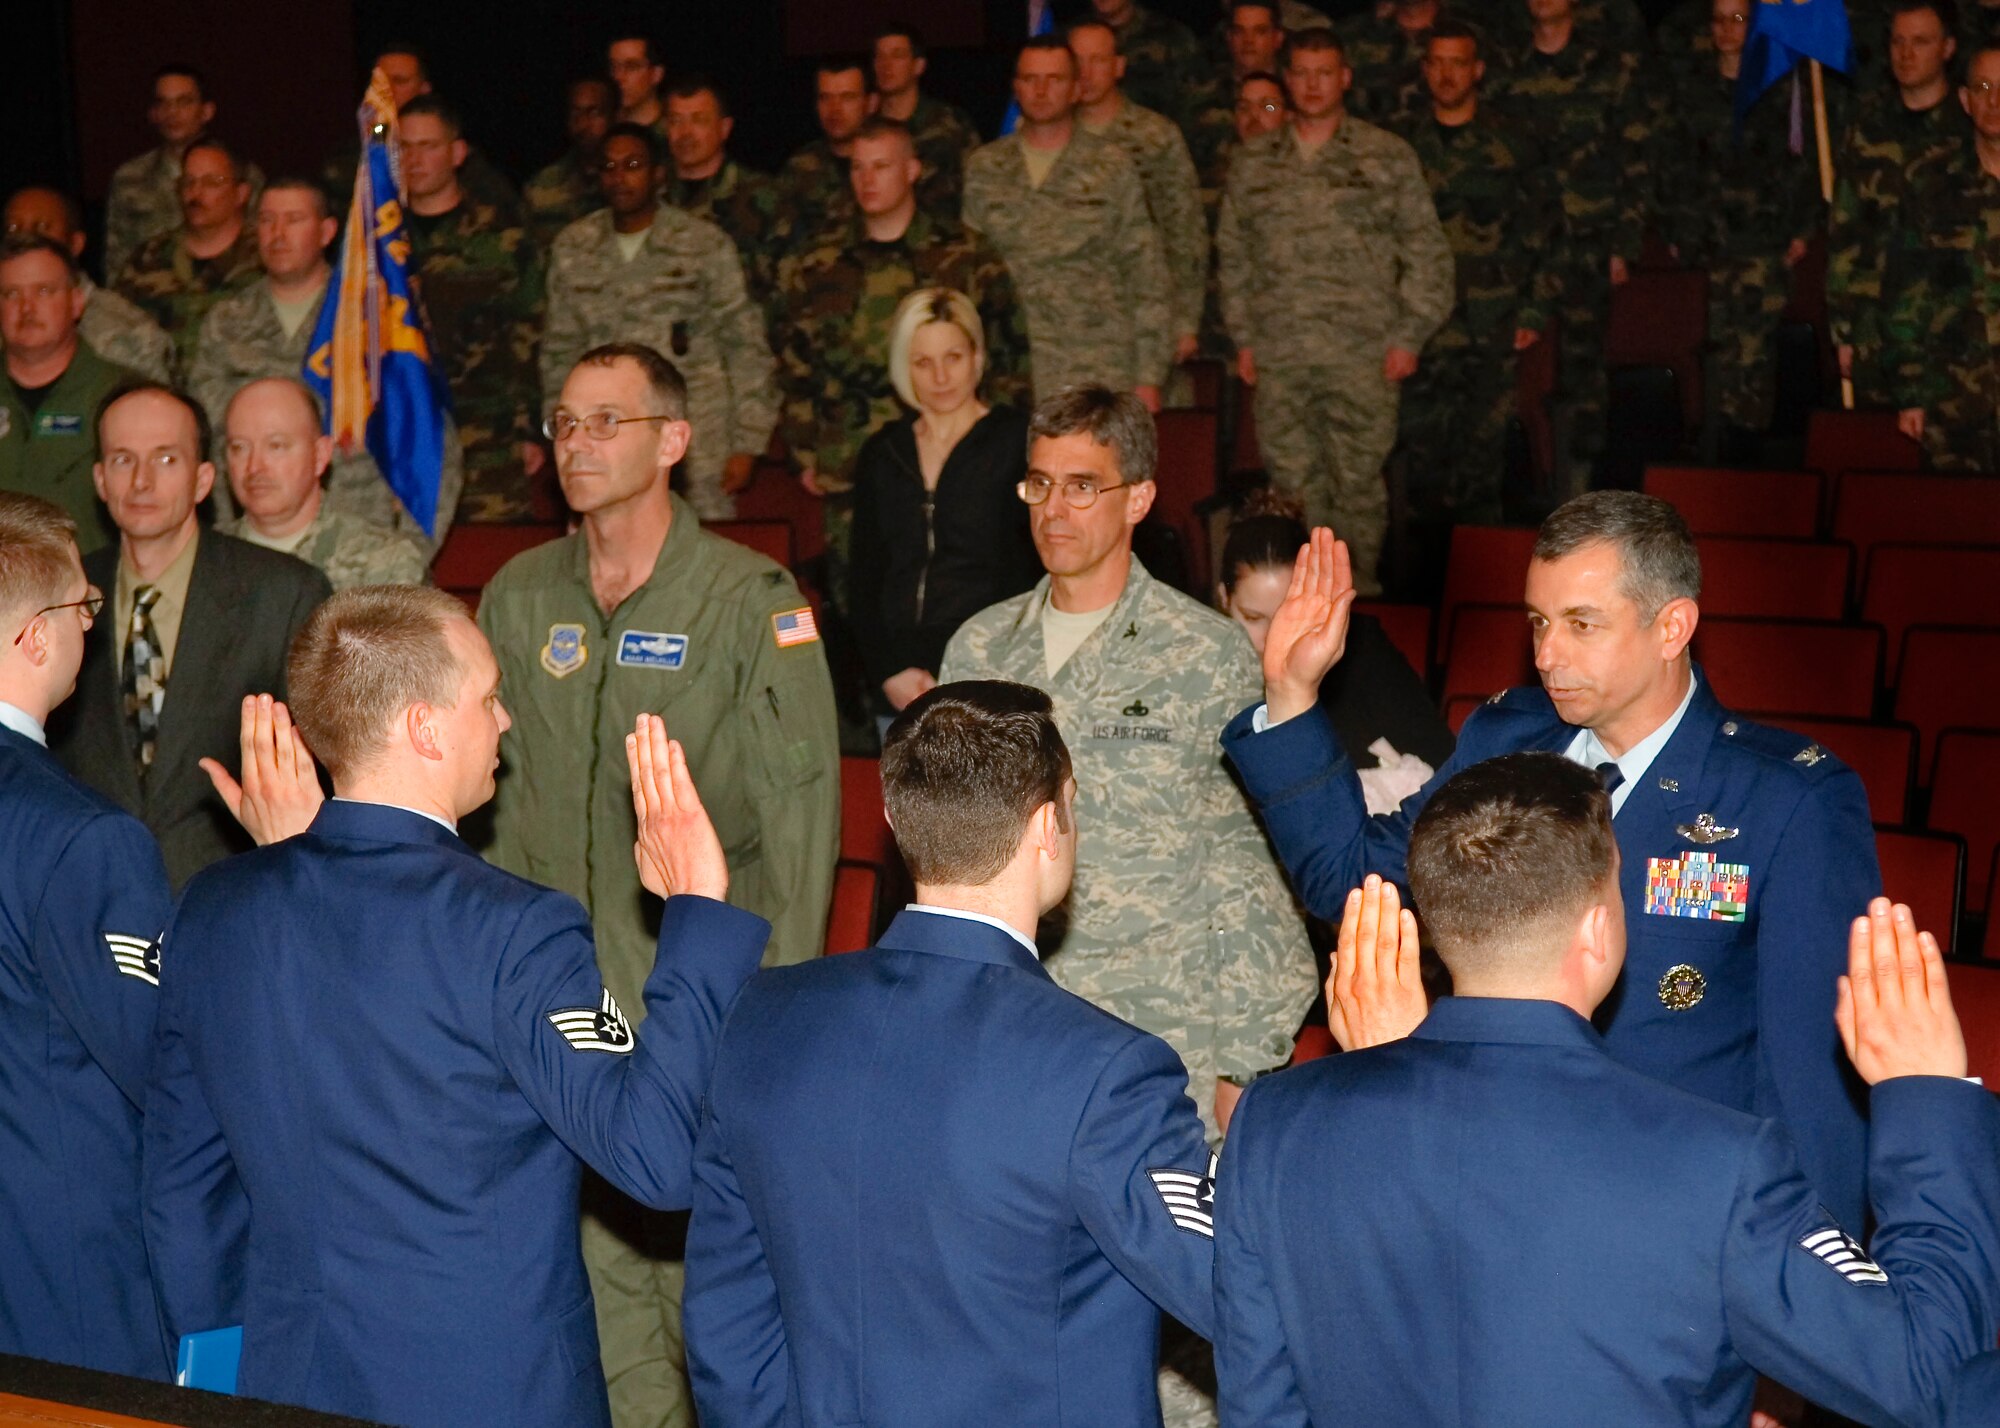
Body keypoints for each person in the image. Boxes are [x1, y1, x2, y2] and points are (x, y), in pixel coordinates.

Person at [140, 584, 770, 1428]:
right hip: (488, 1392)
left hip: (281, 1376)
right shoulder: (516, 931)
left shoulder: (212, 908)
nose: (505, 721)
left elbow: (181, 1184)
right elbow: (655, 1158)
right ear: (426, 729)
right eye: (489, 698)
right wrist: (697, 914)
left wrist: (216, 1369)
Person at [1214, 755, 2000, 1426]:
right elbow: (1926, 1377)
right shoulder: (1718, 1165)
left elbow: (1262, 1405)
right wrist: (1925, 1095)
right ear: (1598, 930)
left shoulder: (1274, 1125)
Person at [1221, 491, 1882, 1229]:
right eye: (1538, 621)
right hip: (1492, 1185)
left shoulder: (1784, 800)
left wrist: (1809, 1279)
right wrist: (1290, 690)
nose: (1545, 655)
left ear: (1672, 626)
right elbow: (1356, 881)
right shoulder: (1506, 739)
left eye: (1581, 624)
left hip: (1669, 1213)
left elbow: (1813, 1082)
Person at [685, 680, 1220, 1426]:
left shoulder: (762, 1019)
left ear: (894, 817)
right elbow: (1240, 1287)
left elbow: (728, 1327)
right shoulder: (1106, 1074)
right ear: (1047, 825)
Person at [473, 343, 838, 1428]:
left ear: (673, 442)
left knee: (708, 1301)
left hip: (694, 1006)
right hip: (553, 1009)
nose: (575, 445)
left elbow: (801, 825)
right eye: (563, 424)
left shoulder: (747, 601)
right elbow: (484, 809)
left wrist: (777, 1021)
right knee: (586, 1291)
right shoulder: (517, 594)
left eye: (605, 422)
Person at [940, 386, 1313, 1138]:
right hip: (1012, 1042)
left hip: (1158, 1043)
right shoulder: (978, 651)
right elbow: (946, 865)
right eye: (1039, 484)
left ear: (1139, 497)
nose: (1053, 509)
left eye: (1082, 487)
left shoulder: (1205, 655)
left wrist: (1246, 1062)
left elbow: (1249, 874)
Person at [0, 491, 171, 1380]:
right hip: (61, 1270)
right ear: (36, 637)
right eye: (84, 605)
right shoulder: (85, 838)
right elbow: (161, 1062)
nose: (91, 624)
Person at [48, 383, 328, 888]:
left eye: (165, 459)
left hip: (234, 899)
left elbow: (320, 771)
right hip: (87, 900)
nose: (140, 482)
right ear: (99, 479)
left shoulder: (283, 593)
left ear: (203, 480)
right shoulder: (58, 598)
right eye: (122, 460)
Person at [1216, 27, 1453, 597]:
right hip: (1282, 356)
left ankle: (1362, 606)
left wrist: (1409, 335)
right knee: (1292, 489)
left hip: (1363, 356)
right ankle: (1302, 607)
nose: (1313, 84)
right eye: (1301, 73)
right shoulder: (1254, 163)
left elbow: (1428, 252)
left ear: (1345, 77)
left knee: (1358, 489)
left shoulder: (1384, 155)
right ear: (1286, 78)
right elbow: (1234, 257)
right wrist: (1244, 338)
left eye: (1325, 72)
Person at [187, 176, 466, 542]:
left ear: (326, 231)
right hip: (251, 544)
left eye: (294, 219)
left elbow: (431, 444)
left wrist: (409, 556)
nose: (278, 233)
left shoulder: (377, 322)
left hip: (359, 543)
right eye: (267, 220)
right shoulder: (226, 322)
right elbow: (204, 440)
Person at [773, 117, 1030, 507]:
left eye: (881, 166)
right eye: (857, 167)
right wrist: (805, 454)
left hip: (957, 460)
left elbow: (1009, 352)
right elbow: (795, 363)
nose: (867, 180)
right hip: (850, 465)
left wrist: (999, 445)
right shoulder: (817, 262)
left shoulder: (965, 253)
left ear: (912, 170)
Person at [542, 123, 777, 520]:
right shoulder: (574, 247)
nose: (619, 177)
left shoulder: (703, 243)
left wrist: (748, 441)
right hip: (602, 439)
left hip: (696, 437)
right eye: (609, 166)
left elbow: (744, 343)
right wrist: (564, 433)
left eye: (632, 164)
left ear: (659, 174)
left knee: (702, 562)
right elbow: (557, 352)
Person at [1395, 19, 1554, 560]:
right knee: (1420, 468)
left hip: (1491, 326)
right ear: (1424, 70)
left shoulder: (1511, 143)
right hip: (1419, 331)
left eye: (1458, 62)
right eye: (1436, 62)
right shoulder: (1398, 148)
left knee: (1482, 469)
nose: (1446, 74)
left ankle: (1479, 587)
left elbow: (1546, 230)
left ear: (1477, 70)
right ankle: (1425, 591)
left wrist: (1533, 307)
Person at [847, 289, 1039, 718]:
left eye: (952, 357)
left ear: (977, 356)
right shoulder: (883, 452)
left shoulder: (1018, 441)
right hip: (898, 683)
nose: (940, 376)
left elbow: (1029, 573)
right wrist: (887, 669)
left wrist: (981, 670)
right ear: (904, 369)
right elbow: (862, 577)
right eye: (923, 363)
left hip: (992, 675)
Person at [1489, 0, 1648, 496]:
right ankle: (1507, 488)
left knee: (1583, 372)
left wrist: (1624, 242)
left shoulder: (1611, 68)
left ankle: (1580, 491)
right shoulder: (1503, 68)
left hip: (1588, 241)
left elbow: (1637, 160)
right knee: (1504, 369)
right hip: (1517, 246)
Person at [962, 37, 1172, 407]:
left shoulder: (1111, 166)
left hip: (1095, 365)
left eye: (1054, 79)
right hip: (1005, 368)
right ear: (1016, 88)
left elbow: (1145, 272)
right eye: (1030, 79)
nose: (1041, 90)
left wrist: (1148, 376)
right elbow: (965, 271)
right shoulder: (984, 167)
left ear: (1076, 88)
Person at [1648, 2, 1816, 458]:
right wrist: (1676, 231)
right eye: (1719, 19)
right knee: (1709, 354)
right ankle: (1710, 446)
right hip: (1705, 245)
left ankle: (1748, 450)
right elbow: (1669, 166)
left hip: (1763, 245)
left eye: (1738, 19)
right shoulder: (1690, 89)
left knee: (1753, 355)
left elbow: (1801, 164)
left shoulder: (1780, 87)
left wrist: (1801, 229)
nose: (1727, 29)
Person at [1216, 493, 1450, 814]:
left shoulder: (1361, 651)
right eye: (1254, 619)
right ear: (1224, 600)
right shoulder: (1203, 667)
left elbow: (1443, 767)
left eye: (1289, 614)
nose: (1274, 638)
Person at [400, 96, 547, 524]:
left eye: (428, 146)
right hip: (402, 441)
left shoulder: (502, 238)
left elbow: (532, 336)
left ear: (457, 153)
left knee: (492, 563)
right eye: (405, 147)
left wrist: (529, 427)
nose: (415, 159)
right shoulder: (375, 245)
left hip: (490, 437)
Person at [1829, 2, 1966, 408]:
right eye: (1897, 42)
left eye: (1920, 42)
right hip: (1877, 325)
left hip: (1955, 328)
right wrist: (1843, 327)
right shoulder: (1867, 125)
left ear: (1948, 47)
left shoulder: (1972, 124)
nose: (1906, 54)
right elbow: (1845, 230)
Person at [1880, 43, 2000, 470]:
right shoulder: (1930, 185)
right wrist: (1911, 392)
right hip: (1954, 404)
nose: (1994, 101)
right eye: (1983, 87)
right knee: (1956, 528)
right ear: (1965, 101)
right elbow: (1903, 298)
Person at [1070, 20, 1210, 374]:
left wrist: (1185, 322)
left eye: (1097, 60)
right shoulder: (1047, 137)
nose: (1085, 73)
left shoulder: (1155, 135)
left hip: (1145, 320)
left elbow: (1186, 231)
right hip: (1069, 319)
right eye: (1076, 61)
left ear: (1118, 66)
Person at [218, 377, 429, 589]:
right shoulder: (203, 558)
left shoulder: (385, 562)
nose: (254, 467)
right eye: (239, 448)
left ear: (320, 455)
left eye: (276, 446)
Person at [0, 237, 139, 554]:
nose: (26, 307)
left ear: (77, 301)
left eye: (44, 291)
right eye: (10, 294)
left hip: (88, 591)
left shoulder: (123, 397)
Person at [114, 138, 263, 382]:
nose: (196, 194)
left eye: (211, 183)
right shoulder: (148, 258)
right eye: (188, 183)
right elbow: (118, 331)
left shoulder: (264, 258)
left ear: (241, 193)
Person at [318, 43, 517, 216]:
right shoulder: (355, 152)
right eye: (380, 83)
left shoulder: (456, 154)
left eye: (399, 81)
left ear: (424, 89)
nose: (387, 91)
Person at [104, 65, 263, 280]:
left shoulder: (242, 174)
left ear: (207, 111)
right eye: (163, 103)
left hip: (228, 293)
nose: (172, 113)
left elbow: (260, 245)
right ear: (153, 113)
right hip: (151, 296)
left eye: (184, 102)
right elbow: (116, 261)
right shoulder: (130, 178)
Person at [2, 187, 171, 383]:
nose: (26, 236)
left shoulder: (129, 331)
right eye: (13, 228)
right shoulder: (10, 319)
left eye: (41, 227)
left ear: (75, 243)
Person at [662, 77, 784, 317]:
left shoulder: (764, 197)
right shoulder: (649, 198)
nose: (685, 133)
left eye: (699, 120)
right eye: (676, 121)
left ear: (724, 128)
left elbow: (785, 284)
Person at [872, 23, 982, 218]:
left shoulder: (951, 123)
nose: (885, 65)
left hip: (942, 240)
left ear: (918, 65)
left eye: (897, 56)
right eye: (880, 56)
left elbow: (978, 186)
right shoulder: (866, 129)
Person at [774, 56, 878, 255]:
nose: (834, 109)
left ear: (871, 103)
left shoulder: (893, 163)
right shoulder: (799, 168)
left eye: (847, 97)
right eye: (825, 98)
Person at [524, 77, 615, 249]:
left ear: (615, 116)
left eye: (594, 113)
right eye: (575, 113)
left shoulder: (629, 180)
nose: (583, 123)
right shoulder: (542, 186)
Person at [608, 31, 668, 135]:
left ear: (656, 74)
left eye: (631, 67)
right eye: (614, 67)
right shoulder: (605, 128)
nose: (618, 76)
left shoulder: (671, 132)